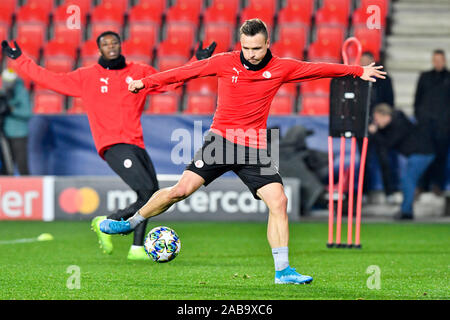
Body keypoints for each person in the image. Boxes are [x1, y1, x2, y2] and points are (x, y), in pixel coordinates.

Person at [100, 19, 386, 284]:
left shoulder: (282, 67)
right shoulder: (225, 62)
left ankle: (283, 271)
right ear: (241, 44)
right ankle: (132, 222)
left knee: (279, 201)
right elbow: (185, 72)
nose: (251, 54)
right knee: (180, 191)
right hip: (220, 142)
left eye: (257, 48)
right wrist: (145, 82)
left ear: (267, 43)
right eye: (246, 48)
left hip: (254, 147)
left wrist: (359, 70)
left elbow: (318, 69)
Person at [1, 32, 216, 261]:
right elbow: (49, 79)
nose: (111, 46)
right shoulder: (88, 76)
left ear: (120, 45)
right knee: (147, 193)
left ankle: (136, 249)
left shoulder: (139, 72)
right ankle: (107, 221)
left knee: (151, 194)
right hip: (112, 145)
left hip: (136, 143)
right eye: (105, 44)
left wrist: (197, 62)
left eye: (114, 42)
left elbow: (168, 82)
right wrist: (21, 60)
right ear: (99, 49)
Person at [369, 103, 435, 220]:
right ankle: (406, 210)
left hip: (422, 154)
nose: (376, 122)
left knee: (407, 181)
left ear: (386, 116)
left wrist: (375, 133)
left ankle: (406, 212)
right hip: (419, 153)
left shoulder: (398, 125)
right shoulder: (397, 121)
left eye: (377, 118)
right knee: (407, 180)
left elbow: (388, 144)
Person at [359, 51, 397, 203]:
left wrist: (376, 123)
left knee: (385, 161)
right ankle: (364, 193)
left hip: (382, 130)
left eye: (367, 61)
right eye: (362, 61)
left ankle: (389, 193)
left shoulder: (384, 80)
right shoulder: (357, 80)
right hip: (362, 128)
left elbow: (389, 104)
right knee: (363, 163)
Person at [413, 49, 450, 195]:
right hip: (426, 126)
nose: (438, 62)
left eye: (440, 60)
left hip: (443, 127)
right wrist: (420, 118)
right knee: (424, 156)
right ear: (433, 61)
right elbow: (417, 99)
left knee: (440, 157)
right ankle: (422, 185)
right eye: (436, 60)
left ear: (444, 60)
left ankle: (437, 186)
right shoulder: (424, 77)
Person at [0, 68, 32, 175]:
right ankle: (5, 189)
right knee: (6, 165)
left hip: (19, 134)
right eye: (5, 81)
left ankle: (28, 188)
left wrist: (12, 110)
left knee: (22, 165)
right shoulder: (3, 93)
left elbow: (27, 113)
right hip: (5, 133)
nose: (7, 83)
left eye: (9, 81)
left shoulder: (22, 93)